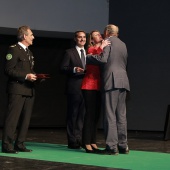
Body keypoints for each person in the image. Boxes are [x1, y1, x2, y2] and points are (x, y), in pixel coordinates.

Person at [87, 24, 130, 155]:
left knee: (110, 114)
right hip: (123, 81)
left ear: (107, 32)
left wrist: (87, 57)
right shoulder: (123, 44)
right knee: (121, 115)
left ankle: (112, 147)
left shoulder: (109, 42)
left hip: (111, 81)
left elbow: (103, 59)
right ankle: (123, 146)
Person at [2, 26, 37, 154]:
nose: (33, 37)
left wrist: (36, 77)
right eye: (31, 35)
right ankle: (7, 145)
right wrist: (25, 76)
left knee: (26, 119)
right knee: (13, 118)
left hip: (28, 89)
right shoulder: (14, 50)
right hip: (17, 89)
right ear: (24, 36)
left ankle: (20, 143)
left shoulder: (29, 52)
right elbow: (8, 70)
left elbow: (29, 70)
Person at [60, 30, 86, 149]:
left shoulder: (88, 53)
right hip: (74, 88)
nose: (82, 39)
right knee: (73, 115)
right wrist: (74, 69)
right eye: (80, 37)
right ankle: (71, 140)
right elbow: (63, 68)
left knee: (82, 115)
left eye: (84, 37)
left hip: (86, 88)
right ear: (75, 39)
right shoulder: (69, 52)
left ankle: (79, 138)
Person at [81, 30, 104, 153]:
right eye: (96, 35)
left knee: (96, 115)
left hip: (98, 86)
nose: (99, 35)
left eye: (99, 33)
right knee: (90, 114)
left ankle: (93, 141)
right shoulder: (90, 50)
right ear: (91, 39)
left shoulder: (102, 48)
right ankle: (86, 142)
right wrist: (102, 47)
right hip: (89, 85)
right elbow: (98, 58)